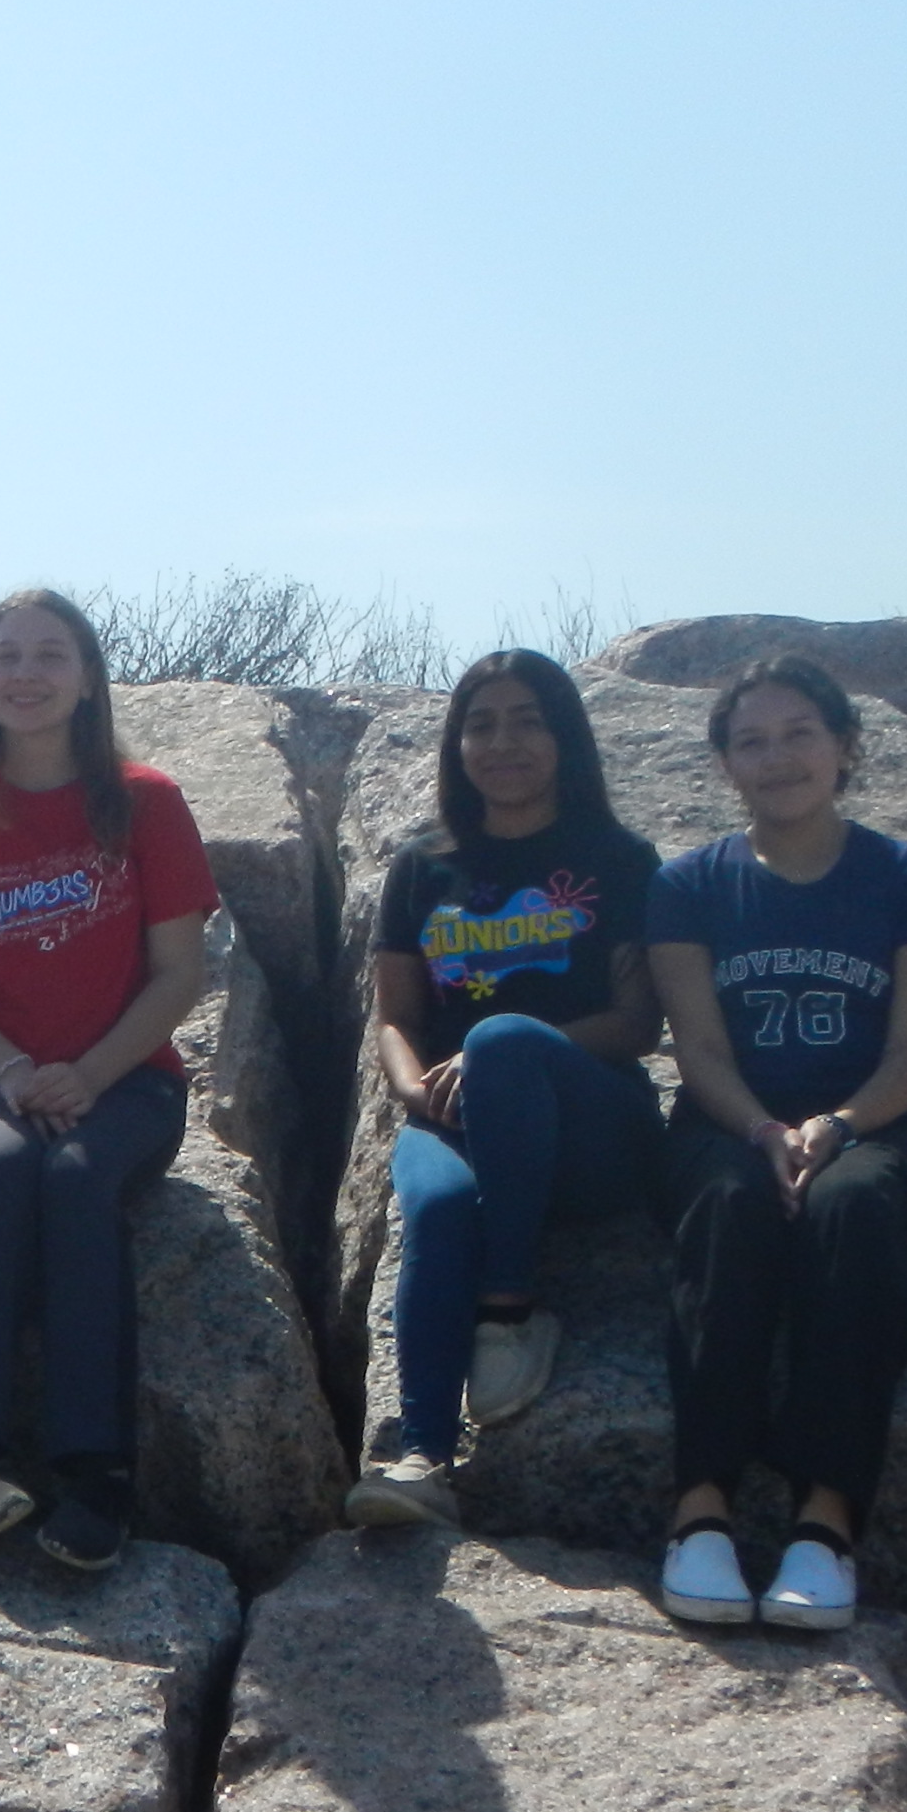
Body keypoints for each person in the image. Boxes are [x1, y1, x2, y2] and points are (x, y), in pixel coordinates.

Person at [0, 589, 218, 1573]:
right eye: (4, 656)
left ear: (86, 679)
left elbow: (178, 974)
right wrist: (18, 1072)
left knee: (73, 1181)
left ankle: (94, 1471)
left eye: (49, 655)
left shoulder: (144, 800)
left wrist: (87, 1075)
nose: (24, 674)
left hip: (130, 1083)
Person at [645, 655, 907, 1631]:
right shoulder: (689, 884)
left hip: (879, 1129)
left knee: (849, 1209)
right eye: (751, 740)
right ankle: (700, 1507)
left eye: (798, 735)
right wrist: (758, 1128)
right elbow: (696, 1046)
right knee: (733, 1208)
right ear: (724, 764)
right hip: (725, 1124)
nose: (776, 757)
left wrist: (832, 1128)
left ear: (843, 748)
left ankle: (823, 1524)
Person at [345, 651, 664, 1530]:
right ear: (457, 746)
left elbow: (640, 1022)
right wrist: (415, 1092)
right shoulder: (424, 866)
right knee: (441, 1210)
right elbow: (396, 1017)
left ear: (563, 736)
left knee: (500, 1038)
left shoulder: (618, 858)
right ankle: (421, 1458)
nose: (502, 741)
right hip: (452, 1117)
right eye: (480, 723)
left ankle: (509, 1307)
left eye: (527, 719)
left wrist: (501, 1055)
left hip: (589, 1125)